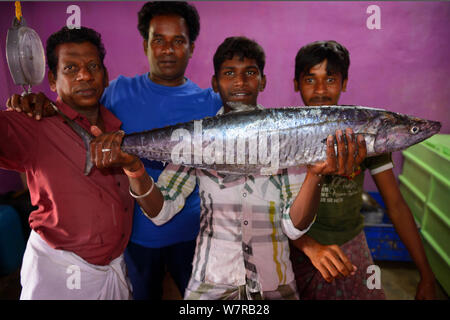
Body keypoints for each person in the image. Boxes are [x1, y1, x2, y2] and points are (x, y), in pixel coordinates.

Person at [91, 36, 367, 300]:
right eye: (229, 73)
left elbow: (294, 227)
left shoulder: (288, 135)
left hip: (275, 282)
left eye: (250, 73)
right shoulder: (197, 138)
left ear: (263, 81)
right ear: (215, 82)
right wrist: (135, 170)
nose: (240, 82)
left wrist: (314, 175)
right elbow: (161, 212)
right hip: (211, 280)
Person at [7, 2, 222, 300]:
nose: (168, 49)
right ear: (146, 45)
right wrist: (39, 104)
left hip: (188, 233)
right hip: (133, 242)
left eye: (178, 41)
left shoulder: (209, 102)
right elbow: (66, 112)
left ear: (192, 46)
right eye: (158, 39)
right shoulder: (115, 93)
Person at [289, 40, 437, 300]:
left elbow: (396, 205)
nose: (321, 90)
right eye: (310, 80)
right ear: (296, 84)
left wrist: (426, 273)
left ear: (344, 83)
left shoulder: (370, 134)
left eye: (331, 79)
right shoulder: (283, 134)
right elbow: (268, 209)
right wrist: (307, 245)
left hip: (351, 243)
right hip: (299, 245)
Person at [1, 26, 140, 299]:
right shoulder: (35, 124)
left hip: (112, 268)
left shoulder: (116, 127)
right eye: (71, 69)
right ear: (52, 80)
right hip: (60, 274)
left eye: (92, 66)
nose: (85, 75)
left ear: (105, 75)